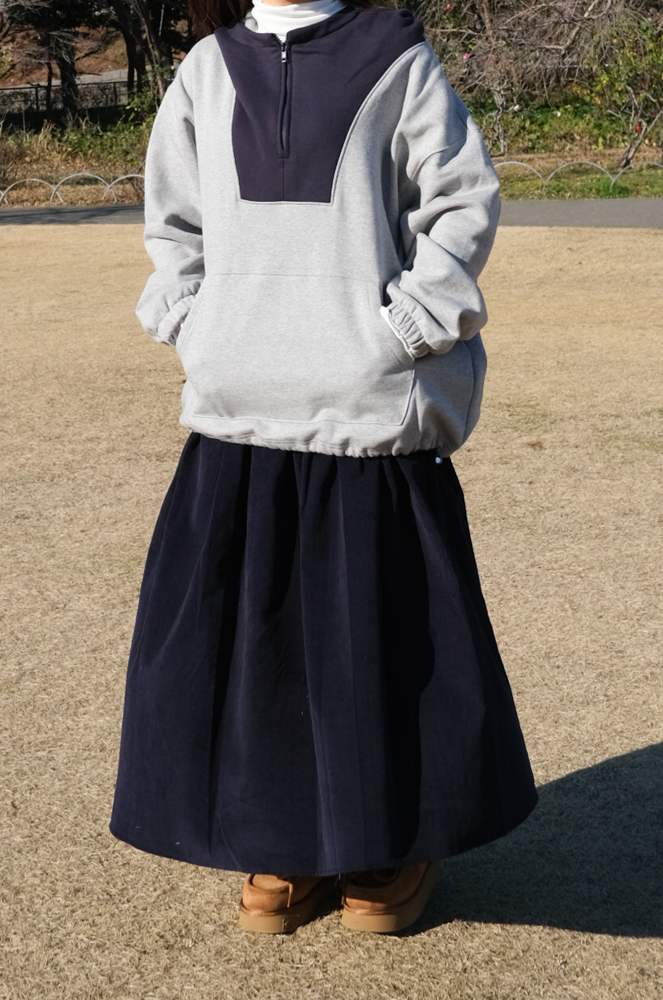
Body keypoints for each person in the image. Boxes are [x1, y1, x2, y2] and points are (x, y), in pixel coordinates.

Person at [110, 0, 538, 935]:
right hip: (239, 420)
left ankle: (391, 845)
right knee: (255, 649)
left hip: (369, 422)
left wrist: (407, 328)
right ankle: (282, 841)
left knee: (380, 644)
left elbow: (463, 198)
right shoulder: (207, 69)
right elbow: (172, 222)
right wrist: (198, 327)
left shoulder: (396, 59)